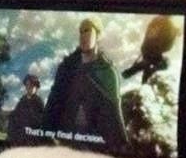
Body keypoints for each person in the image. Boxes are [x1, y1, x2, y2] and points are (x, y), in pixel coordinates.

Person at [43, 18, 128, 151]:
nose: (83, 35)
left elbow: (114, 113)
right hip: (65, 141)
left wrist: (123, 146)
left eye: (87, 30)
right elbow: (53, 103)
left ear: (98, 35)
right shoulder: (67, 68)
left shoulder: (107, 72)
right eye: (81, 32)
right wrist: (45, 136)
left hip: (93, 145)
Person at [122, 16, 177, 83]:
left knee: (153, 64)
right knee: (149, 63)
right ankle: (134, 74)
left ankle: (138, 75)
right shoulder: (162, 22)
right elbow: (153, 35)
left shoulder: (162, 23)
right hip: (151, 49)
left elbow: (166, 43)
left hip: (152, 49)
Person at [6, 74, 44, 146]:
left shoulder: (38, 101)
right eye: (27, 85)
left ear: (36, 87)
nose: (29, 87)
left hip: (30, 135)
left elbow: (40, 120)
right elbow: (15, 113)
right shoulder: (22, 100)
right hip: (18, 133)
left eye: (31, 85)